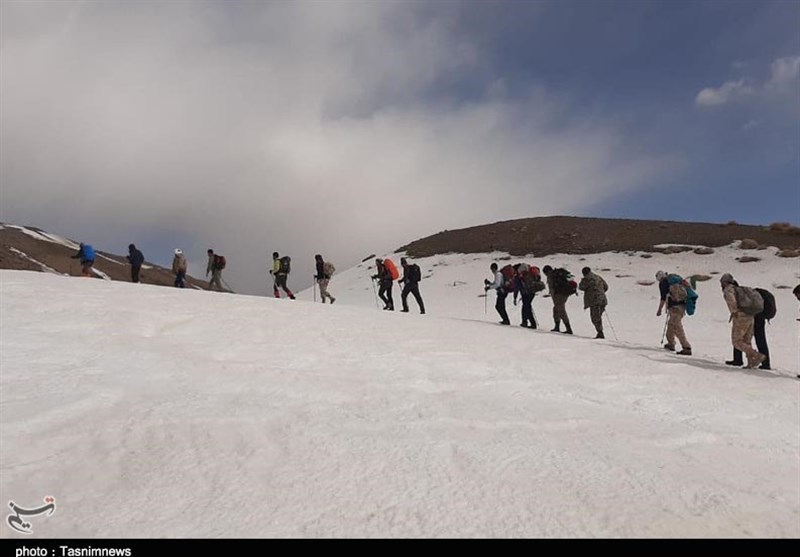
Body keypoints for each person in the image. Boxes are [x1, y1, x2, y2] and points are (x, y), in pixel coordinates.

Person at [719, 273, 767, 369]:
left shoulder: (729, 290)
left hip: (740, 316)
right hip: (750, 315)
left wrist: (734, 312)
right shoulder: (739, 289)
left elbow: (731, 300)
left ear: (724, 282)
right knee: (747, 340)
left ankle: (756, 355)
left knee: (736, 341)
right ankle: (751, 363)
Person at [726, 286, 774, 370]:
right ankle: (765, 363)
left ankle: (739, 359)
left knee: (740, 337)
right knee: (759, 339)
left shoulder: (739, 293)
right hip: (761, 315)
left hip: (752, 315)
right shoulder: (753, 293)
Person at [656, 270, 692, 355]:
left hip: (675, 307)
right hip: (682, 306)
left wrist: (659, 309)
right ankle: (671, 343)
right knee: (671, 324)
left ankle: (686, 347)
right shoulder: (674, 280)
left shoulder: (663, 283)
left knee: (676, 326)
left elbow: (663, 298)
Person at [542, 265, 574, 334]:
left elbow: (552, 288)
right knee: (556, 309)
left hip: (559, 294)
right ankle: (557, 326)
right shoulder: (557, 273)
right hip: (564, 293)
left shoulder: (551, 276)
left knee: (561, 310)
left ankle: (568, 328)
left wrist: (554, 297)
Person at [578, 266, 609, 339]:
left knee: (595, 317)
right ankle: (600, 332)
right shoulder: (598, 277)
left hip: (594, 301)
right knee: (598, 316)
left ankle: (600, 333)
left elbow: (581, 287)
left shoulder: (587, 279)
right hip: (603, 300)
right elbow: (606, 286)